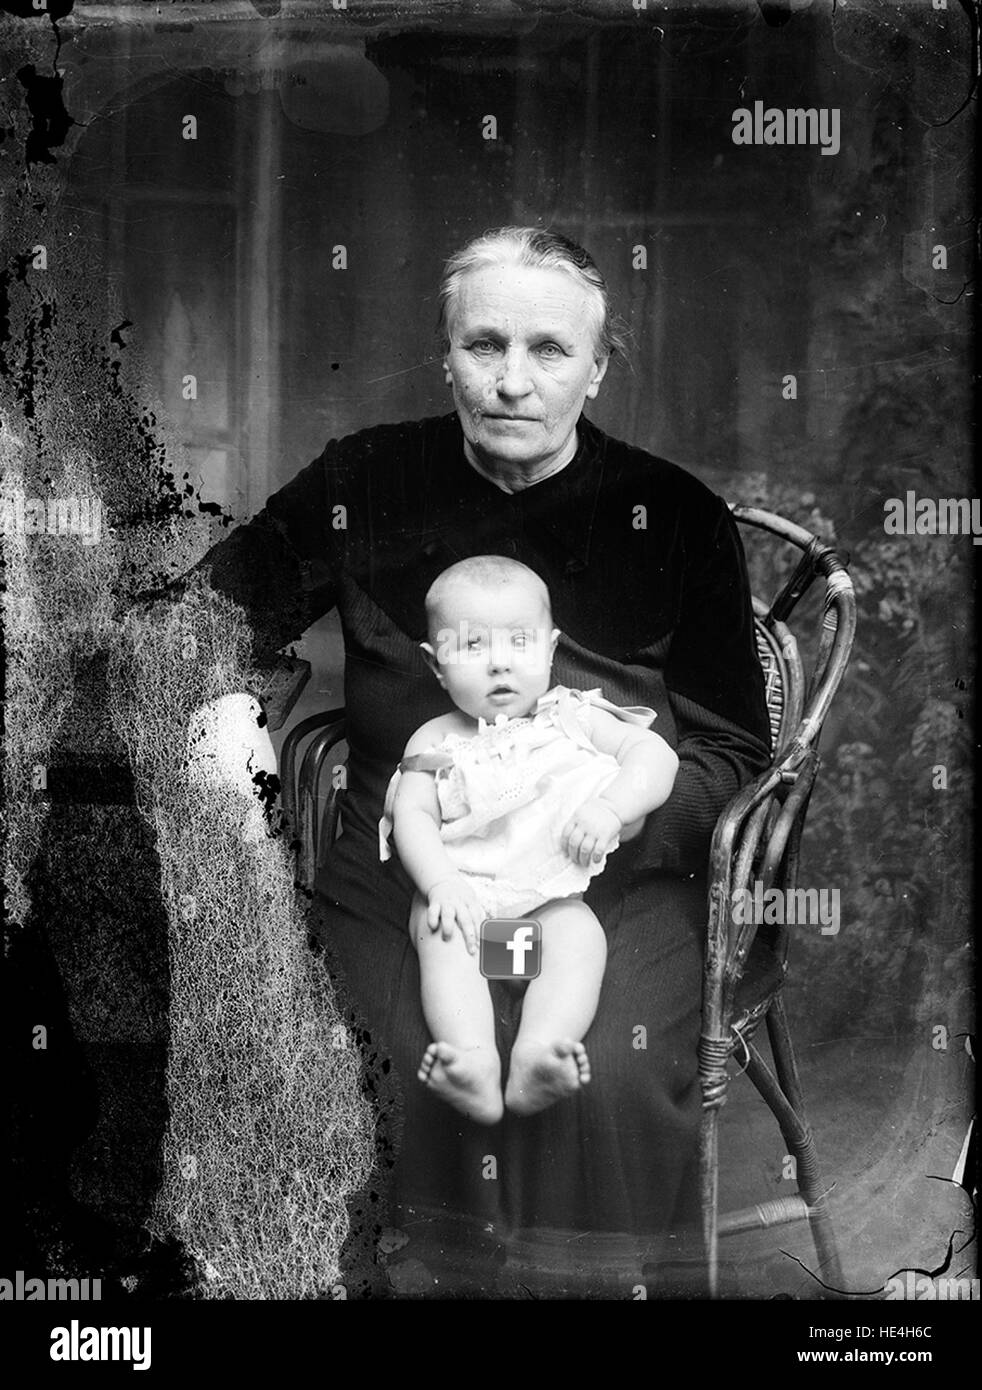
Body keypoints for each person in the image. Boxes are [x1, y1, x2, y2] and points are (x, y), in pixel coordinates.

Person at [174, 226, 772, 1293]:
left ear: (597, 370)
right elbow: (204, 618)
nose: (510, 380)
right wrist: (224, 705)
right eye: (482, 344)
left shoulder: (673, 513)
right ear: (444, 351)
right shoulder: (364, 475)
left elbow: (730, 743)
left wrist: (625, 817)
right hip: (406, 863)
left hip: (608, 875)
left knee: (607, 1070)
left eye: (547, 350)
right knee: (356, 1056)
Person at [380, 555, 679, 1124]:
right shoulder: (435, 738)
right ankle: (473, 1066)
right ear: (435, 662)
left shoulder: (572, 715)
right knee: (440, 935)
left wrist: (612, 809)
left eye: (520, 642)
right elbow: (411, 815)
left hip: (544, 911)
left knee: (576, 938)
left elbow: (654, 755)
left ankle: (537, 1053)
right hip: (466, 907)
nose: (500, 665)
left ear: (549, 648)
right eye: (471, 646)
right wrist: (441, 882)